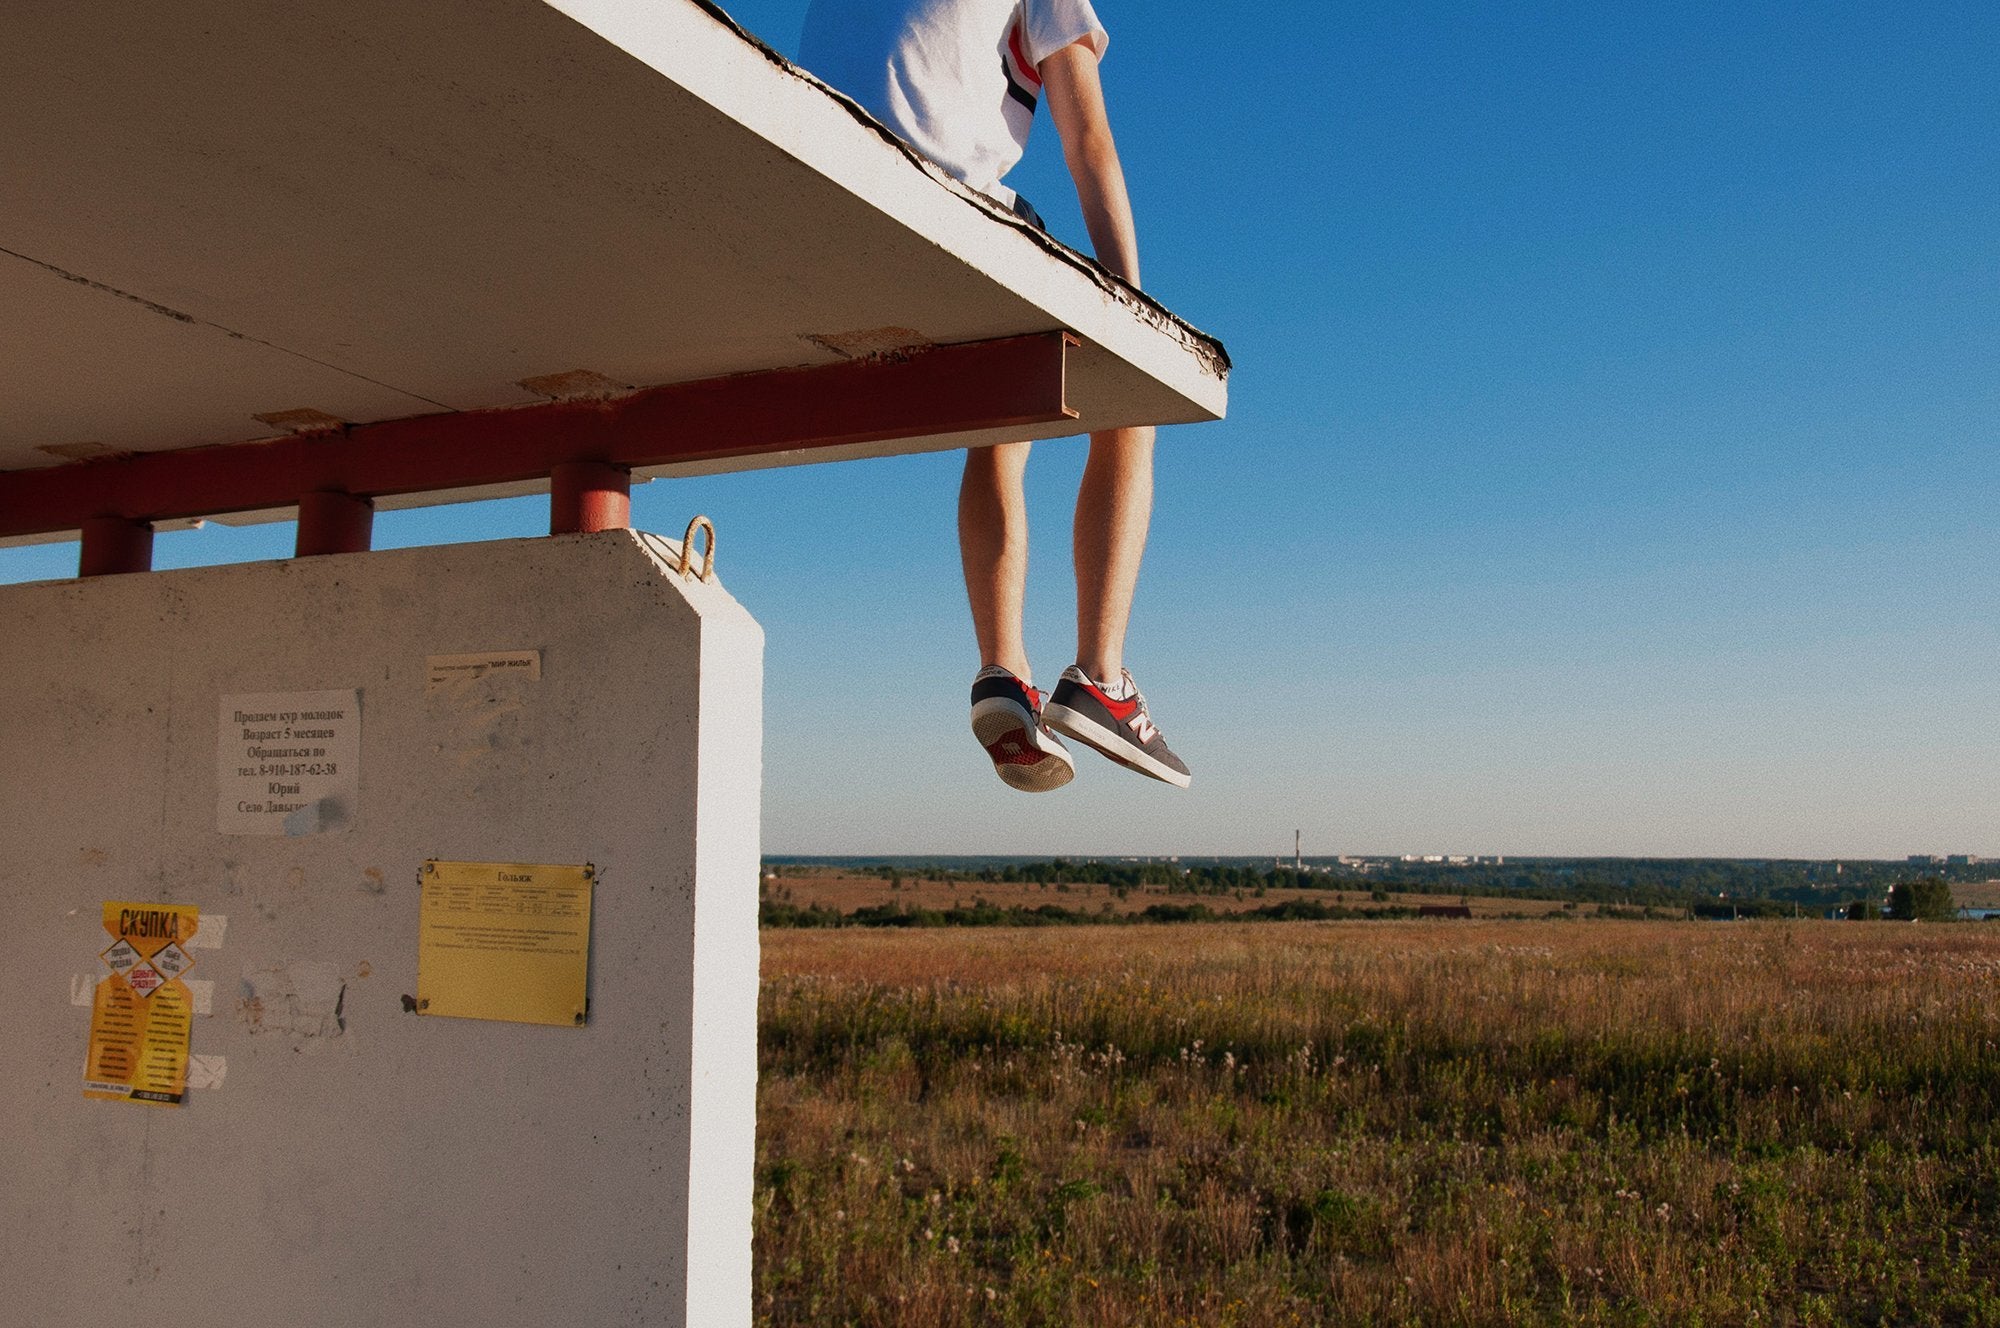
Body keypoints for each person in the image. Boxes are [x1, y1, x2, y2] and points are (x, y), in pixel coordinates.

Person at [800, 0, 1190, 793]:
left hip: (816, 217)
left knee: (1006, 411)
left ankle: (1001, 670)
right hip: (934, 205)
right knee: (1131, 405)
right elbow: (1089, 142)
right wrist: (1133, 319)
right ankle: (1102, 679)